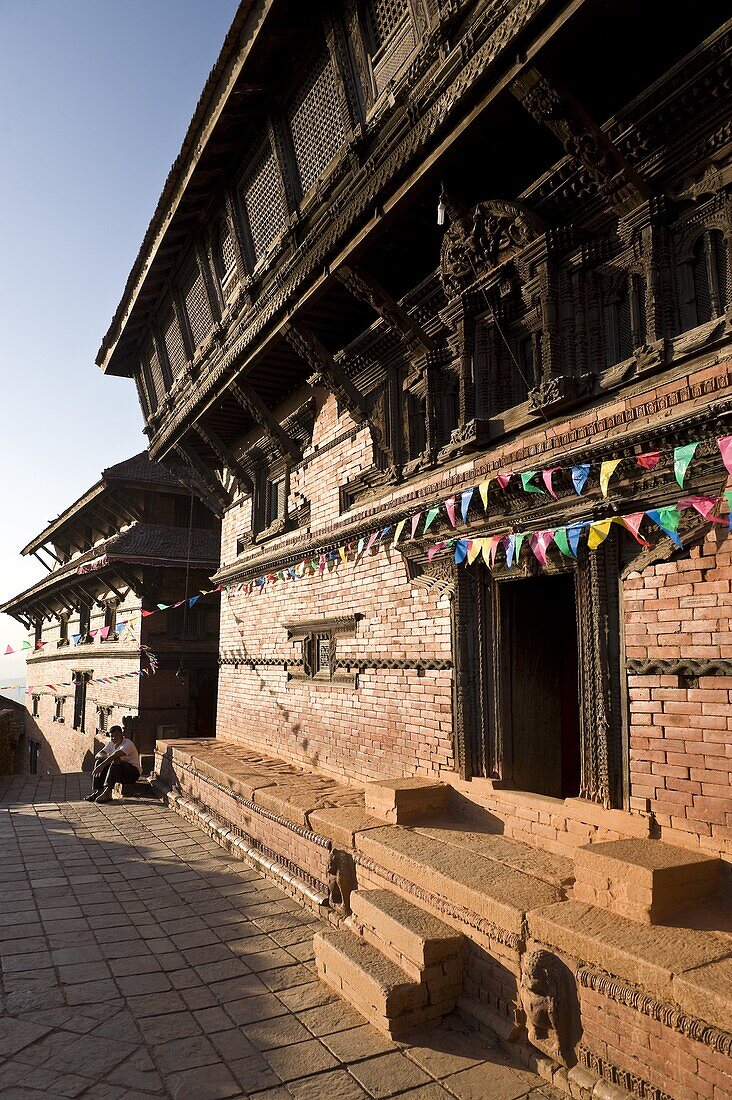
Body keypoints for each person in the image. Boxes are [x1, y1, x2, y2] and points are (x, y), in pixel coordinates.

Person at [85, 725, 141, 803]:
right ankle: (99, 791)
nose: (114, 738)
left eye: (116, 736)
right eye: (112, 736)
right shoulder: (111, 743)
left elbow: (116, 755)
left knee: (115, 762)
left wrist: (103, 764)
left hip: (132, 774)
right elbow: (98, 754)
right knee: (99, 761)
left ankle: (108, 792)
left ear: (122, 734)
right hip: (119, 773)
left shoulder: (128, 744)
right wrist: (106, 757)